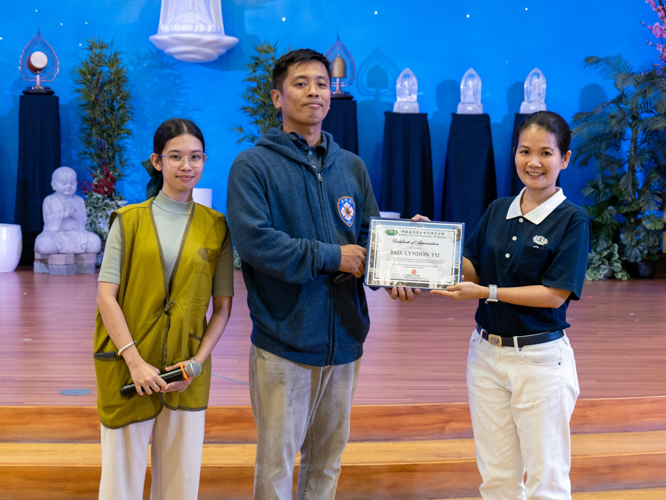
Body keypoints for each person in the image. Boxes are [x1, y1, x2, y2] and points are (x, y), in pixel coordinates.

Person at [407, 111, 589, 499]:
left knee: (547, 482)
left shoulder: (572, 220)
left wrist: (487, 292)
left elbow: (554, 293)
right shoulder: (497, 209)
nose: (534, 162)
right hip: (486, 356)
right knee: (498, 481)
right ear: (514, 154)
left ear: (565, 159)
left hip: (540, 362)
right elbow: (472, 268)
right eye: (525, 151)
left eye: (545, 153)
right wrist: (428, 243)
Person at [226, 48, 380, 499]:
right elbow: (256, 243)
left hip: (345, 339)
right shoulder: (253, 166)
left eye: (321, 82)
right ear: (277, 97)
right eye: (300, 83)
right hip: (285, 341)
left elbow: (369, 236)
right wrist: (332, 257)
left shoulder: (351, 166)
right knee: (276, 468)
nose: (313, 91)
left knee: (326, 464)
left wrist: (401, 261)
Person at [94, 118, 233, 500]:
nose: (186, 166)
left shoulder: (216, 226)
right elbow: (107, 296)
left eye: (195, 157)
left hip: (185, 370)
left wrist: (197, 362)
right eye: (175, 156)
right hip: (127, 365)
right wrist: (135, 362)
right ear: (157, 161)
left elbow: (222, 308)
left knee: (181, 485)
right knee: (120, 483)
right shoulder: (129, 221)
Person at [34, 166, 102, 255]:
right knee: (44, 243)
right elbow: (48, 222)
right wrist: (64, 213)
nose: (68, 186)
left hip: (77, 235)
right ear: (53, 185)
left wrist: (74, 214)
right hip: (56, 235)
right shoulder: (49, 200)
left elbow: (83, 221)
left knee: (95, 241)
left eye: (72, 183)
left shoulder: (79, 200)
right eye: (64, 183)